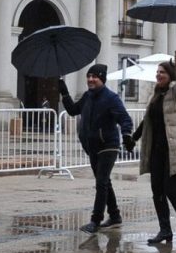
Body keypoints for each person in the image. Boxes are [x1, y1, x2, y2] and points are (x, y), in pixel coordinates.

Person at [130, 50, 176, 245]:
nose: (158, 75)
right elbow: (147, 121)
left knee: (170, 189)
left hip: (175, 150)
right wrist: (134, 138)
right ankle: (165, 230)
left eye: (162, 72)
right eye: (158, 72)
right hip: (157, 151)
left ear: (170, 75)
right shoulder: (155, 95)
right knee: (157, 191)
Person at [58, 64, 135, 234]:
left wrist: (127, 135)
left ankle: (96, 220)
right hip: (92, 146)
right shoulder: (88, 96)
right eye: (89, 76)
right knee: (105, 182)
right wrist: (64, 92)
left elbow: (125, 119)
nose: (90, 79)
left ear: (102, 79)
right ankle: (115, 215)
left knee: (101, 182)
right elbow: (73, 110)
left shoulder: (111, 98)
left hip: (108, 145)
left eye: (95, 77)